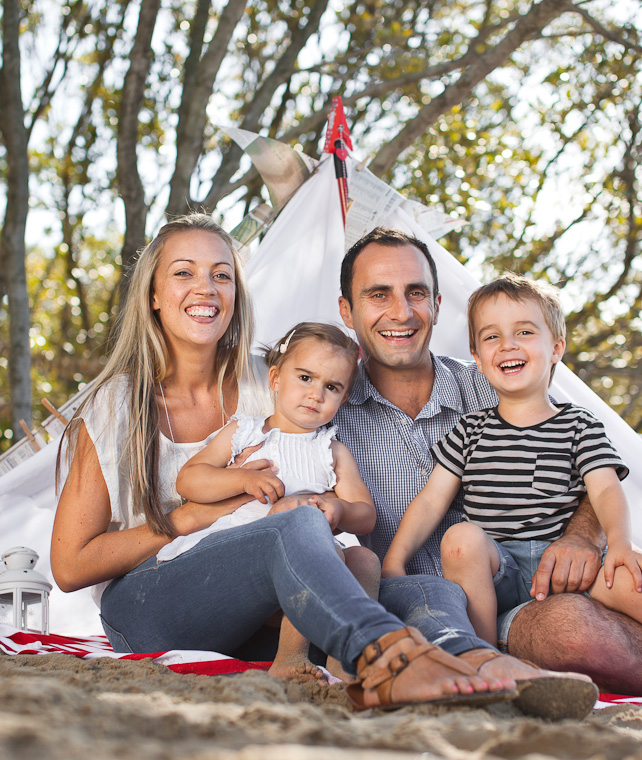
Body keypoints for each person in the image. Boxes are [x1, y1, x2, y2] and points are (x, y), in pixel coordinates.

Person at [49, 213, 525, 712]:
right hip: (153, 608)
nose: (205, 288)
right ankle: (383, 655)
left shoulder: (277, 379)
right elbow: (71, 564)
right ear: (152, 293)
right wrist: (192, 515)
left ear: (237, 292)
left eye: (222, 274)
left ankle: (478, 661)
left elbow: (354, 398)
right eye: (184, 272)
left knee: (417, 586)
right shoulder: (117, 404)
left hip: (263, 619)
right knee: (295, 522)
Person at [334, 226, 642, 696]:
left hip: (587, 568)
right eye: (379, 294)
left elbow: (593, 480)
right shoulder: (324, 412)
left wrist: (585, 537)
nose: (402, 311)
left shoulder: (497, 384)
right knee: (571, 629)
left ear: (437, 305)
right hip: (498, 604)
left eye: (416, 292)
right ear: (346, 311)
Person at [164, 321, 380, 683]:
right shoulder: (245, 433)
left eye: (331, 387)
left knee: (366, 560)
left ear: (343, 399)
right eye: (306, 378)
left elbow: (366, 515)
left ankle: (344, 660)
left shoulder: (332, 452)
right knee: (322, 547)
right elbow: (189, 480)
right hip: (241, 559)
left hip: (307, 562)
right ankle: (289, 658)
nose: (316, 394)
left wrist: (341, 510)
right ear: (276, 378)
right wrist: (243, 479)